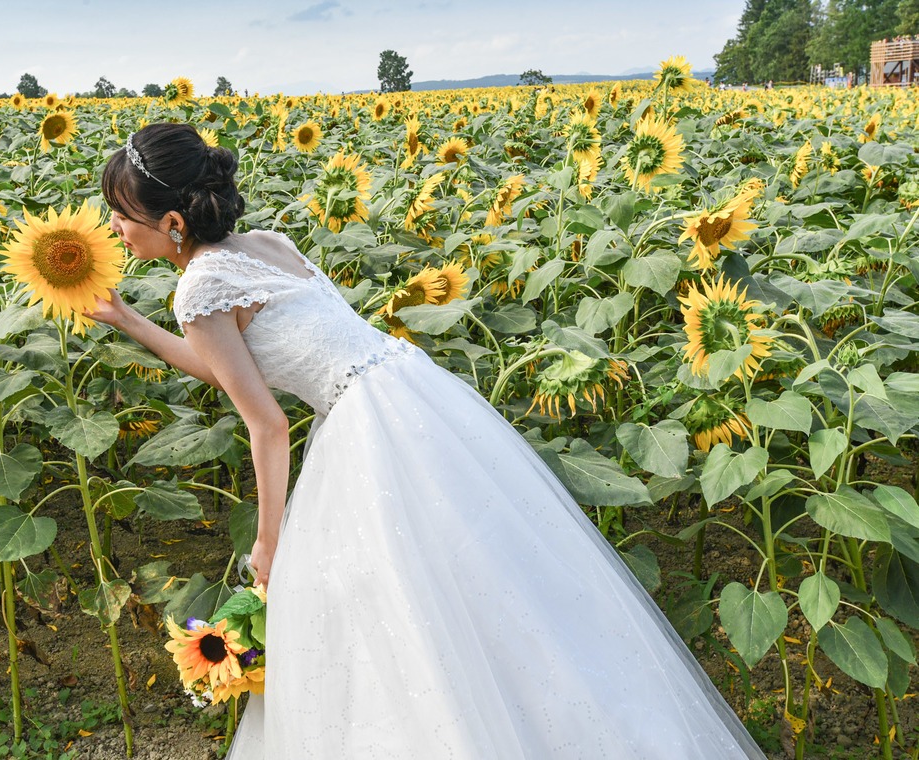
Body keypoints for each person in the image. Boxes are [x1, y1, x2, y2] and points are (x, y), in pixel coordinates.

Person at [86, 123, 767, 759]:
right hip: (411, 393)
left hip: (361, 426)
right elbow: (230, 363)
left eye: (123, 214)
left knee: (392, 608)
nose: (115, 228)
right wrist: (129, 321)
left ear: (172, 221)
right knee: (484, 583)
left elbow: (265, 422)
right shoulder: (265, 244)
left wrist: (269, 541)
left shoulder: (200, 287)